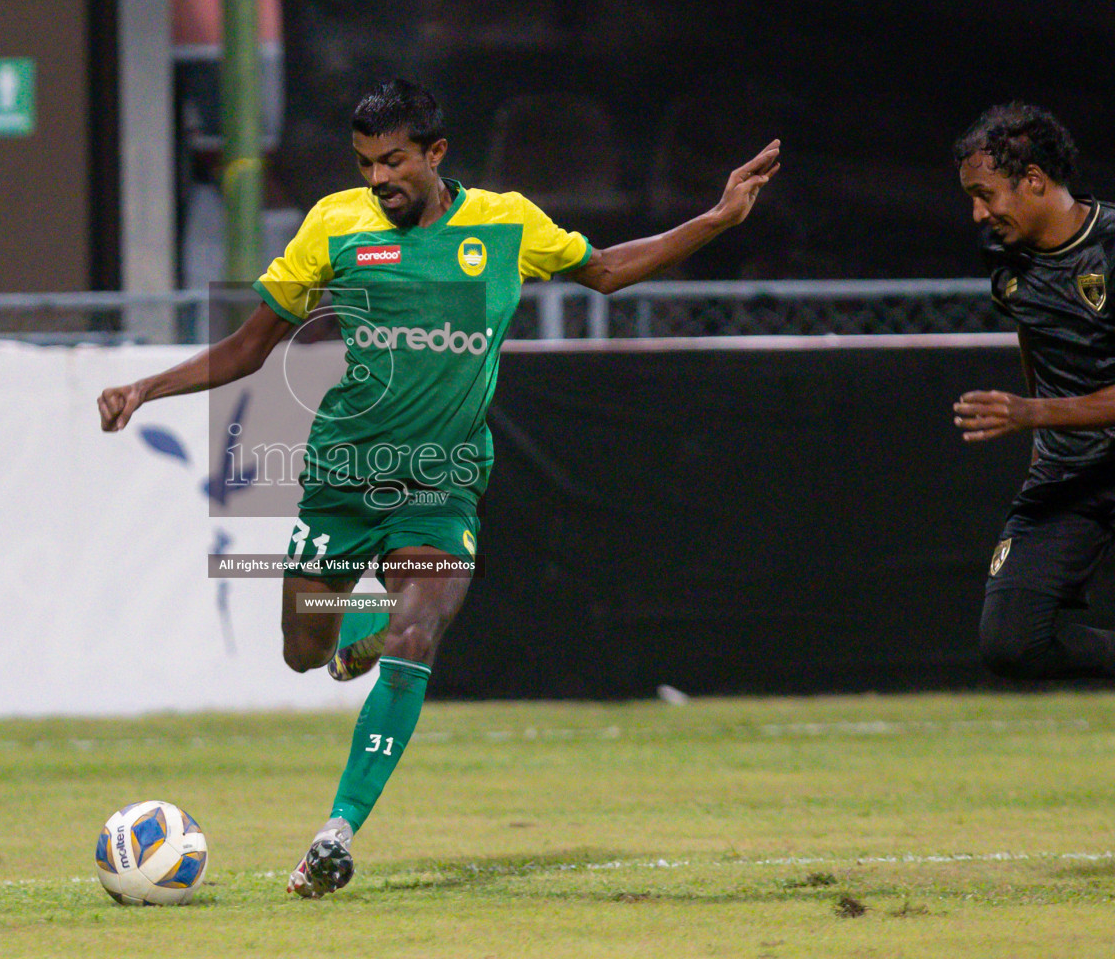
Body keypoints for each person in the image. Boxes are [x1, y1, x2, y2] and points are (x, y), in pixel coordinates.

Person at [99, 79, 779, 898]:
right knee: (302, 651)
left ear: (436, 154)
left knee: (416, 637)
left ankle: (336, 832)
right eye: (363, 164)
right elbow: (251, 345)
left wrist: (715, 219)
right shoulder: (333, 226)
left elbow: (604, 271)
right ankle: (352, 632)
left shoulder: (504, 221)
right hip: (341, 483)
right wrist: (147, 387)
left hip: (443, 485)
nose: (377, 179)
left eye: (392, 162)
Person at [952, 102, 1115, 680]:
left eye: (984, 194)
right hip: (1069, 475)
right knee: (1011, 642)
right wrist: (1042, 431)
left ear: (1034, 181)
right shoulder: (1005, 257)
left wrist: (1034, 412)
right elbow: (1034, 334)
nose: (977, 213)